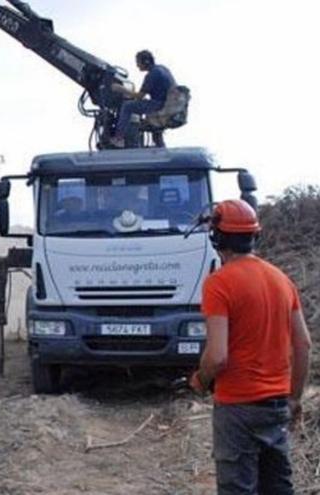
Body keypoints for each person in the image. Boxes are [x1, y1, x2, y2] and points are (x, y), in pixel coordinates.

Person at [189, 199, 313, 494]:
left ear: (216, 237)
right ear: (254, 236)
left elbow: (217, 356)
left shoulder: (219, 284)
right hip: (276, 404)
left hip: (237, 407)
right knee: (278, 487)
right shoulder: (281, 280)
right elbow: (304, 344)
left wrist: (200, 379)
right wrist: (294, 399)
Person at [109, 50, 175, 148]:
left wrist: (121, 89)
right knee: (144, 115)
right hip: (167, 105)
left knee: (127, 106)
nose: (137, 65)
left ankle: (119, 138)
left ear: (145, 62)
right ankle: (160, 145)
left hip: (159, 105)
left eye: (138, 62)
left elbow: (140, 96)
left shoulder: (152, 74)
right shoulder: (163, 69)